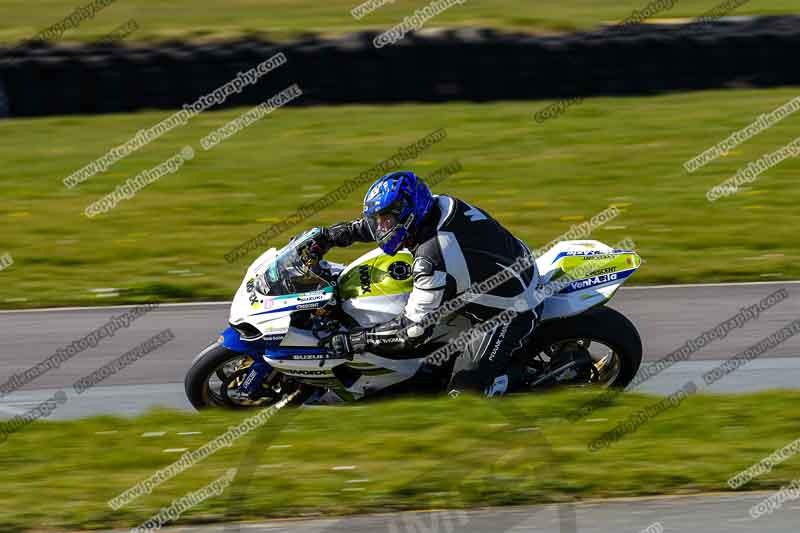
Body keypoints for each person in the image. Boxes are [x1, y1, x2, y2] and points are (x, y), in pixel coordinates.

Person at [311, 170, 539, 397]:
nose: (381, 227)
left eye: (386, 219)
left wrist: (357, 340)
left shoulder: (432, 258)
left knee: (462, 395)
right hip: (503, 265)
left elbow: (411, 332)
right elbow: (379, 227)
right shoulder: (437, 205)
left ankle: (508, 380)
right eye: (378, 220)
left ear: (409, 213)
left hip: (511, 308)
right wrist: (332, 236)